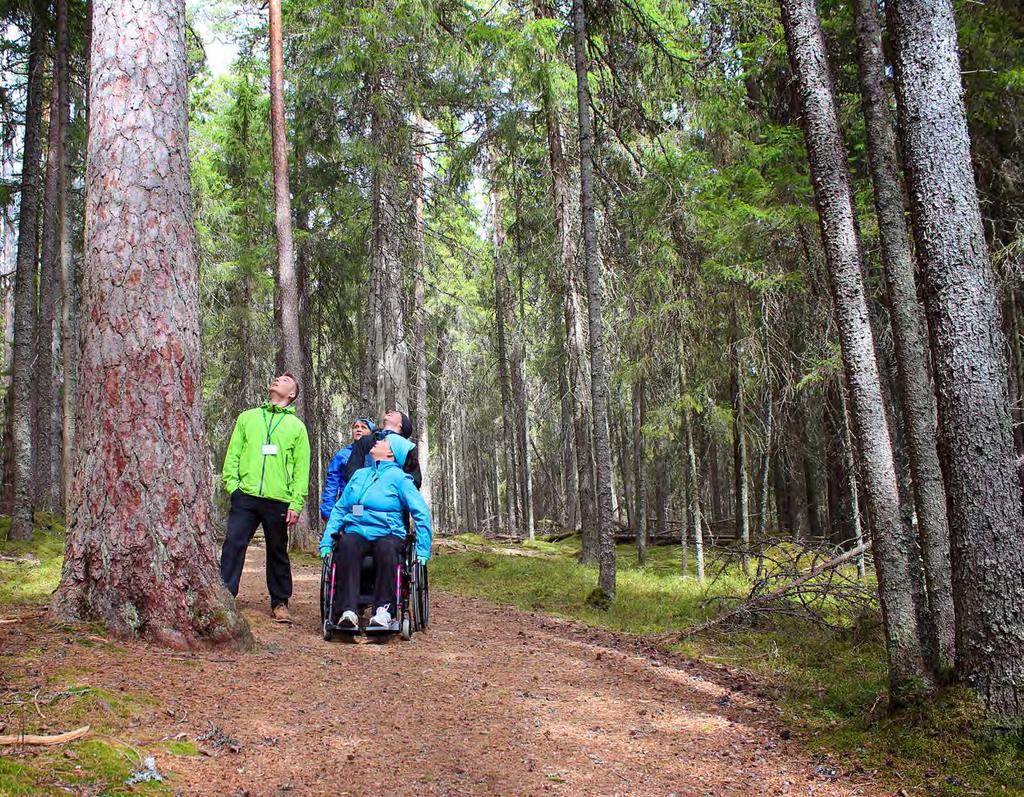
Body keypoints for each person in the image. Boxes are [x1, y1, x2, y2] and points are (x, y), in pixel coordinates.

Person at [220, 373, 310, 624]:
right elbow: (233, 453)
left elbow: (302, 468)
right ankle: (225, 595)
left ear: (291, 394)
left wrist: (296, 503)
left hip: (278, 499)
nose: (276, 380)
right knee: (233, 543)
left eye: (284, 381)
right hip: (245, 496)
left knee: (278, 551)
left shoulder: (296, 427)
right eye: (276, 378)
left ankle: (280, 602)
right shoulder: (248, 418)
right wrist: (233, 486)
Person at [320, 433, 432, 631]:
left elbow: (420, 512)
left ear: (390, 452)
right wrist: (327, 541)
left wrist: (423, 550)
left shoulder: (400, 479)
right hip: (357, 530)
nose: (376, 441)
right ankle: (348, 611)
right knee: (346, 544)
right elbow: (340, 509)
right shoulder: (359, 475)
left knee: (387, 548)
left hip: (388, 532)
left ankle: (383, 611)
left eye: (383, 441)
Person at [341, 409, 421, 488]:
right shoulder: (365, 441)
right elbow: (351, 472)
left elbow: (415, 479)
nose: (390, 411)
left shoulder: (406, 447)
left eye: (396, 413)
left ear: (401, 424)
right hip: (364, 496)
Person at [319, 417, 376, 522]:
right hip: (349, 506)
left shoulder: (378, 454)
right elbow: (332, 482)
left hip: (374, 506)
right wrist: (327, 509)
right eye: (356, 427)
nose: (359, 429)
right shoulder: (342, 455)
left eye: (364, 427)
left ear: (371, 433)